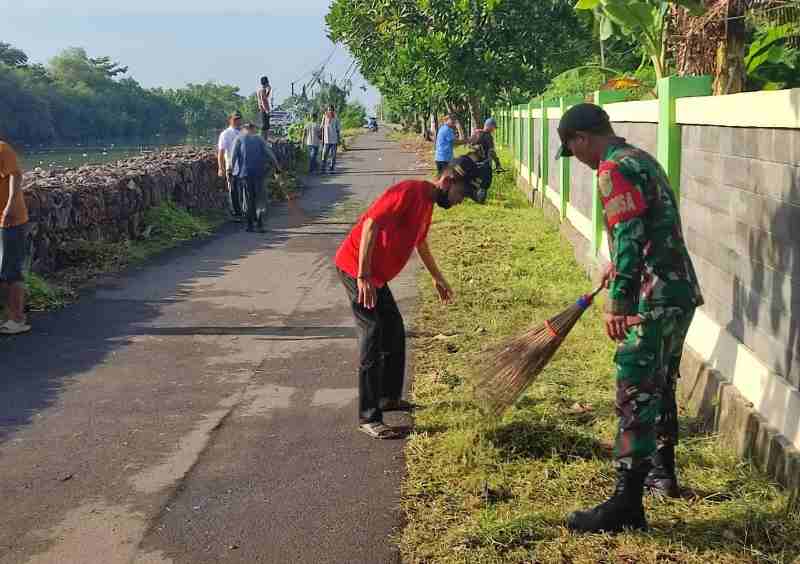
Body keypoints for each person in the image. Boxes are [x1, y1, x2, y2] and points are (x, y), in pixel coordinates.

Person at [555, 103, 703, 533]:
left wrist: (619, 302)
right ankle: (662, 473)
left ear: (581, 138)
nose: (578, 161)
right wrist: (615, 266)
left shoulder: (612, 169)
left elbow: (631, 236)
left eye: (573, 149)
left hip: (651, 300)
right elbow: (646, 228)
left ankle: (626, 504)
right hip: (679, 293)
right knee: (661, 382)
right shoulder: (641, 159)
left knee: (635, 389)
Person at [334, 154, 485, 439]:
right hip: (356, 268)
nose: (461, 200)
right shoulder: (409, 191)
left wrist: (437, 277)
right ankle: (369, 417)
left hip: (375, 275)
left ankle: (388, 397)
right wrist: (363, 275)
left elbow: (420, 241)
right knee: (373, 333)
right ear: (448, 180)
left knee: (394, 331)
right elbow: (370, 224)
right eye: (462, 193)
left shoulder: (427, 203)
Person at [0, 141, 31, 334]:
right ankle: (10, 316)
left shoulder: (2, 149)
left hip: (10, 219)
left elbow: (16, 176)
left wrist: (10, 205)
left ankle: (17, 319)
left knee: (10, 270)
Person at [231, 124, 282, 233]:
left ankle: (249, 225)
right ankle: (259, 224)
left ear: (244, 129)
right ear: (252, 129)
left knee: (248, 199)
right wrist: (277, 167)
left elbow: (233, 156)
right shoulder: (259, 139)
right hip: (259, 173)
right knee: (260, 199)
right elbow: (270, 154)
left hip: (245, 174)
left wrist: (231, 170)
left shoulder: (239, 138)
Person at [217, 111, 244, 221]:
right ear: (230, 120)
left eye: (239, 119)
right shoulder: (225, 134)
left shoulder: (243, 132)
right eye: (235, 119)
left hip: (244, 167)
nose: (237, 121)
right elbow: (221, 152)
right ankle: (237, 214)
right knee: (233, 191)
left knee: (244, 191)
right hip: (231, 167)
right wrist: (221, 167)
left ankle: (244, 211)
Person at [320, 105, 341, 174]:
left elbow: (338, 130)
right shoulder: (324, 117)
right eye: (329, 109)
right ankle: (323, 168)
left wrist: (339, 139)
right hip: (326, 140)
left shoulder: (336, 118)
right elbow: (322, 128)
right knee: (324, 155)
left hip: (334, 140)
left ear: (333, 110)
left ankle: (332, 168)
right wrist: (322, 139)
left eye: (331, 110)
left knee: (333, 155)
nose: (330, 111)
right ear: (327, 110)